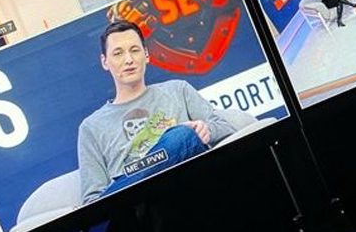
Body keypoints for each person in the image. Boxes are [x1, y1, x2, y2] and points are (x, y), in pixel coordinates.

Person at [76, 19, 238, 202]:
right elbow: (92, 200)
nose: (128, 60)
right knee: (182, 135)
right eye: (118, 53)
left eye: (134, 50)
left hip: (190, 186)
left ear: (146, 55)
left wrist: (207, 130)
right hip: (138, 207)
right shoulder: (91, 127)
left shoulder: (178, 90)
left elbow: (227, 128)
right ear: (105, 62)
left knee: (183, 136)